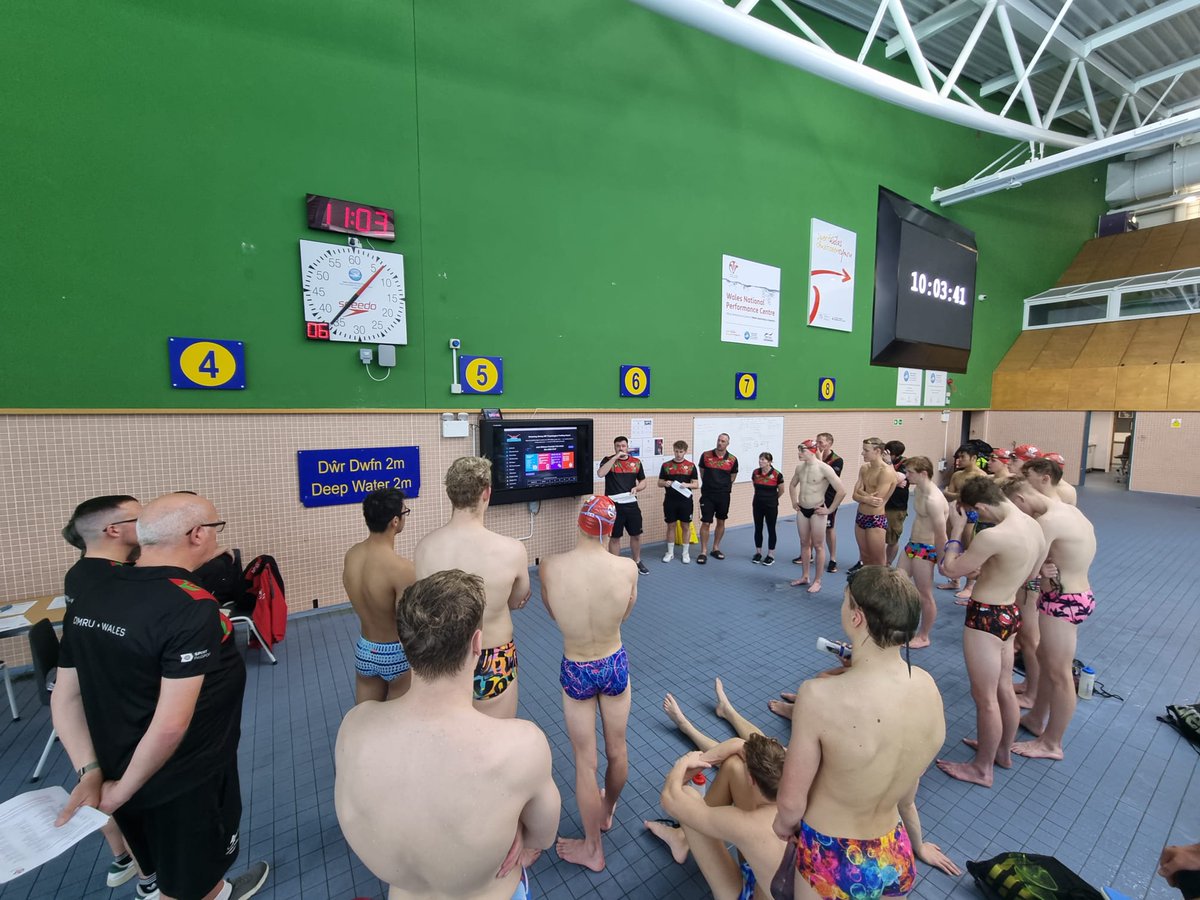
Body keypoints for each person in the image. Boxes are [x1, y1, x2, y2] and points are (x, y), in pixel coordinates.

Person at [53, 492, 269, 900]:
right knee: (187, 887)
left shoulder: (94, 591)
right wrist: (122, 789)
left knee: (167, 872)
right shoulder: (190, 607)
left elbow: (65, 698)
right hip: (182, 783)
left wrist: (92, 771)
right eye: (217, 528)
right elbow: (170, 725)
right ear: (198, 534)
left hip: (119, 768)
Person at [335, 569, 560, 899]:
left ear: (405, 642)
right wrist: (517, 833)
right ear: (477, 644)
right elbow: (544, 837)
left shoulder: (354, 728)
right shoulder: (523, 746)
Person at [772, 566, 953, 900]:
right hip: (893, 851)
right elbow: (907, 784)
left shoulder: (817, 696)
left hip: (832, 854)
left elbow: (791, 803)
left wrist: (783, 827)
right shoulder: (929, 688)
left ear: (856, 618)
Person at [61, 495, 159, 900]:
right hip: (120, 711)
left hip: (97, 706)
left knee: (105, 789)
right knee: (130, 795)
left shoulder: (80, 575)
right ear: (113, 530)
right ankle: (152, 880)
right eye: (143, 518)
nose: (151, 526)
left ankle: (123, 859)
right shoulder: (115, 582)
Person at [538, 496, 637, 872]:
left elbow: (552, 612)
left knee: (585, 762)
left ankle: (592, 847)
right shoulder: (626, 567)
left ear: (580, 523)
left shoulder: (550, 567)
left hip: (577, 664)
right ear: (610, 529)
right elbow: (626, 613)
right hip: (613, 662)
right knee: (618, 749)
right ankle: (607, 809)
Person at [936, 478, 1046, 788]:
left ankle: (982, 768)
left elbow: (950, 570)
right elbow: (1032, 576)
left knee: (985, 698)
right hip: (1010, 611)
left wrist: (956, 531)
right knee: (1004, 688)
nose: (975, 518)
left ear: (982, 506)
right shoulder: (1033, 526)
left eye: (974, 513)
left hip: (985, 617)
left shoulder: (994, 536)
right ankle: (1001, 752)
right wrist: (992, 570)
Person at [415, 457, 531, 718]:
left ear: (449, 493)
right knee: (497, 738)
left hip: (442, 656)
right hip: (494, 656)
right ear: (486, 493)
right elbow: (517, 600)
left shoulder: (425, 548)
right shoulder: (512, 550)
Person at [649, 682, 788, 900]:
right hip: (778, 880)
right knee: (733, 765)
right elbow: (756, 746)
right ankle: (723, 713)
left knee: (689, 799)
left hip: (751, 893)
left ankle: (682, 836)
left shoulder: (745, 825)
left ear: (751, 779)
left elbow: (670, 799)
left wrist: (684, 765)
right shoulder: (807, 792)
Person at [1000, 478, 1097, 761]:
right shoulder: (1071, 511)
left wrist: (1037, 572)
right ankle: (1036, 718)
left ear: (1020, 499)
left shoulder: (1048, 521)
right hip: (1076, 594)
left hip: (1064, 601)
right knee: (1045, 659)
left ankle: (1052, 743)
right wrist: (1048, 569)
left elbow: (1029, 570)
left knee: (1060, 674)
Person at [342, 487, 416, 704]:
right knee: (396, 723)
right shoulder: (402, 569)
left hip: (365, 648)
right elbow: (408, 625)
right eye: (405, 512)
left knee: (365, 719)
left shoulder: (352, 555)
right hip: (395, 653)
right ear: (395, 521)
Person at [897, 457, 947, 650]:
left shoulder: (934, 500)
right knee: (898, 584)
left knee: (924, 594)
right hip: (912, 545)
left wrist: (944, 561)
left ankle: (924, 636)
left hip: (927, 549)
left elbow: (941, 535)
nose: (907, 476)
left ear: (923, 473)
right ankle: (901, 625)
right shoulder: (917, 490)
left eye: (910, 472)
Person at [788, 440, 846, 594]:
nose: (799, 454)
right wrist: (794, 502)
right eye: (798, 450)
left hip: (817, 511)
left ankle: (817, 580)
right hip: (803, 510)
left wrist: (830, 510)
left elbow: (841, 491)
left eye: (802, 450)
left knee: (818, 546)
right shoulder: (799, 467)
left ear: (812, 450)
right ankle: (805, 576)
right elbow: (792, 485)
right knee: (804, 543)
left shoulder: (824, 468)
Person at [937, 443, 988, 599]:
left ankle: (970, 585)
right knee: (952, 546)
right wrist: (960, 496)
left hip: (971, 515)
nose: (959, 460)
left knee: (968, 549)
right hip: (955, 512)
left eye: (962, 457)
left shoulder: (981, 477)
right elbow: (947, 494)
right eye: (958, 457)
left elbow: (978, 499)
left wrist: (956, 495)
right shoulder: (957, 475)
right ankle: (954, 579)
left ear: (973, 458)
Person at [597, 435, 650, 575]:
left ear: (627, 447)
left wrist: (637, 488)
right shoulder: (608, 460)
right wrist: (614, 458)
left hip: (631, 504)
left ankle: (637, 561)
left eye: (623, 446)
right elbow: (601, 473)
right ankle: (615, 564)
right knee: (615, 537)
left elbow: (643, 482)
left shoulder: (636, 462)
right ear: (614, 447)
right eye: (618, 446)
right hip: (613, 506)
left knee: (636, 535)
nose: (621, 448)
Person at [850, 438, 897, 569]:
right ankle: (867, 587)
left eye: (866, 450)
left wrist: (861, 493)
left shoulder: (886, 472)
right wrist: (865, 497)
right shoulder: (864, 469)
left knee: (878, 561)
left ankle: (880, 588)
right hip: (860, 517)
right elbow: (854, 495)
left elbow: (876, 501)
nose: (862, 453)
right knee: (865, 557)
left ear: (877, 451)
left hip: (875, 519)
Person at [697, 433, 739, 564]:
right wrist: (711, 484)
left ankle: (715, 548)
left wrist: (723, 486)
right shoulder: (706, 455)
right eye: (719, 440)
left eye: (723, 441)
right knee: (706, 522)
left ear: (727, 444)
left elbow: (733, 476)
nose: (720, 443)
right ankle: (703, 551)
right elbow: (702, 472)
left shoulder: (732, 459)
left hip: (723, 495)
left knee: (721, 521)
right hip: (708, 494)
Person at [659, 440, 700, 565]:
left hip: (685, 502)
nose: (678, 454)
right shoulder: (666, 465)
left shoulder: (691, 466)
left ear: (685, 452)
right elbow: (659, 482)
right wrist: (665, 483)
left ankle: (685, 553)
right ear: (673, 450)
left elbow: (696, 484)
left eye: (681, 452)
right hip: (670, 501)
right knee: (670, 526)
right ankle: (670, 553)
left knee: (685, 527)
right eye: (676, 451)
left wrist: (686, 485)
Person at [816, 433, 844, 573]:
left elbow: (828, 478)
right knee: (811, 525)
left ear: (829, 444)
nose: (818, 445)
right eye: (817, 442)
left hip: (829, 498)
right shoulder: (814, 456)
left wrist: (819, 462)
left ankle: (832, 559)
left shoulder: (837, 460)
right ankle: (807, 554)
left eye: (821, 442)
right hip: (815, 497)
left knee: (829, 528)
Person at [750, 452, 785, 566]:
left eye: (764, 460)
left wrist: (772, 499)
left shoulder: (777, 475)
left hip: (771, 506)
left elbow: (781, 490)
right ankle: (758, 552)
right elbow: (755, 486)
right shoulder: (756, 473)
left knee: (771, 529)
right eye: (760, 459)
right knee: (758, 528)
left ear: (769, 462)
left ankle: (770, 555)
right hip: (757, 504)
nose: (761, 461)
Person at [884, 441, 910, 566]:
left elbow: (900, 477)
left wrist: (889, 465)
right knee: (876, 537)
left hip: (896, 507)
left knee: (892, 539)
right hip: (881, 504)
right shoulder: (883, 462)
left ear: (892, 453)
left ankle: (887, 564)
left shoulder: (905, 463)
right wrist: (895, 481)